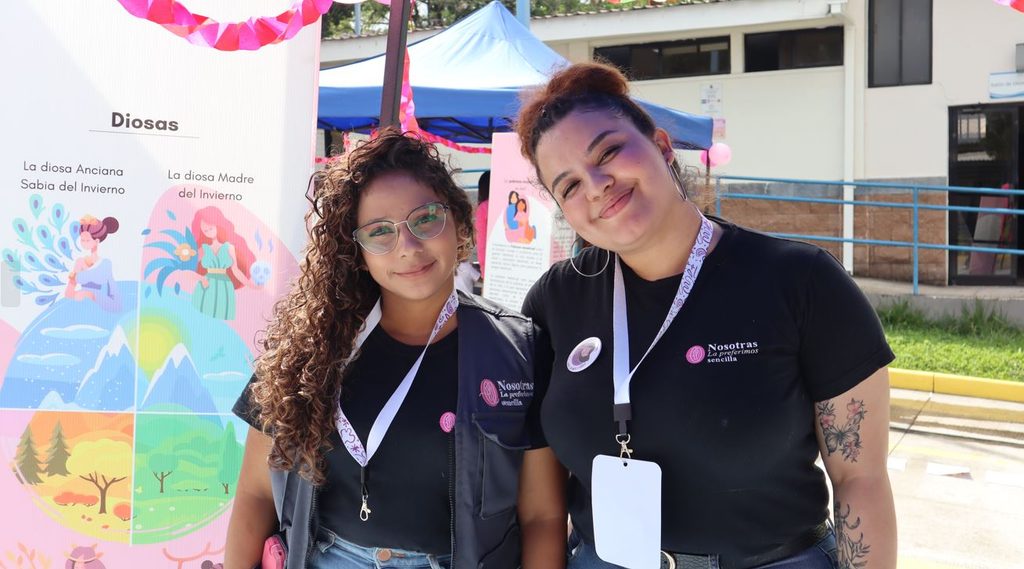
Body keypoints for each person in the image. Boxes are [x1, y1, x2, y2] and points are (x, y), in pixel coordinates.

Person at [515, 62, 897, 569]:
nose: (597, 185)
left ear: (662, 147)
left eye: (608, 152)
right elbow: (542, 505)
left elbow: (860, 480)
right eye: (568, 186)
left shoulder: (800, 282)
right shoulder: (553, 303)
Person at [224, 130, 566, 569]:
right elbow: (255, 493)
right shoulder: (308, 345)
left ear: (459, 223)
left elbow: (542, 516)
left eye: (425, 219)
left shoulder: (519, 350)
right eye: (380, 232)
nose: (407, 247)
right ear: (357, 250)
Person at [192, 206, 255, 320]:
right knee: (202, 318)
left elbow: (236, 270)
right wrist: (201, 279)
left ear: (218, 224)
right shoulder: (202, 249)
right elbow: (188, 268)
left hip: (224, 287)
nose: (208, 232)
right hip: (206, 287)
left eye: (211, 228)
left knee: (221, 320)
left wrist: (252, 285)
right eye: (205, 230)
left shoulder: (229, 247)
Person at [65, 215, 122, 312]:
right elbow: (69, 291)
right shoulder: (79, 262)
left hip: (103, 303)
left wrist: (78, 277)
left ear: (96, 241)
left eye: (87, 240)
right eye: (82, 240)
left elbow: (107, 285)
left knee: (86, 296)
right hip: (81, 303)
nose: (84, 243)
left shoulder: (105, 264)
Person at [474, 170, 490, 278]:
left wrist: (483, 266)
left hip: (488, 264)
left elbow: (481, 239)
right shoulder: (506, 206)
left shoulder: (483, 208)